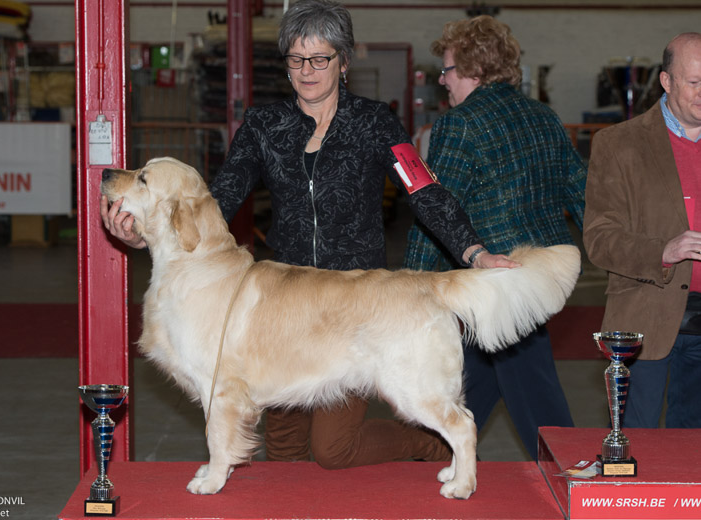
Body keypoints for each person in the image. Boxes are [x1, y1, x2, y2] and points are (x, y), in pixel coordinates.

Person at [102, 0, 516, 469]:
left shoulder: (375, 121)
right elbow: (215, 202)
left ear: (343, 60)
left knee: (332, 450)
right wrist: (145, 236)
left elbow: (423, 190)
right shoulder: (263, 125)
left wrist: (474, 251)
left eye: (320, 58)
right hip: (282, 304)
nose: (307, 70)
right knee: (283, 453)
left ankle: (432, 444)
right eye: (297, 59)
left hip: (356, 303)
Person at [403, 15, 586, 460]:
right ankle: (431, 461)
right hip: (540, 279)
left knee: (534, 394)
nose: (442, 81)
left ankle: (575, 476)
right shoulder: (545, 117)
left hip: (493, 286)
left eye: (447, 69)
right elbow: (582, 196)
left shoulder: (460, 124)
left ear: (472, 71)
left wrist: (408, 288)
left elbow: (438, 213)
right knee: (477, 380)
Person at [583, 32, 701, 428]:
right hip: (647, 317)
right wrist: (662, 252)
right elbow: (599, 238)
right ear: (666, 82)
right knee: (639, 446)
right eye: (694, 82)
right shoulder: (618, 145)